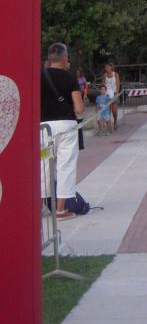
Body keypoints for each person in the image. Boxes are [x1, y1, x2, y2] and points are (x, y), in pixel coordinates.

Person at [41, 43, 84, 220]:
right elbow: (80, 108)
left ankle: (41, 207)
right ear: (64, 57)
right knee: (65, 166)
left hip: (43, 129)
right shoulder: (69, 78)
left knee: (44, 164)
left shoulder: (38, 77)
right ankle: (60, 210)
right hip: (66, 128)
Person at [102, 62, 121, 130]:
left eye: (107, 67)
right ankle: (109, 125)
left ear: (111, 67)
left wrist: (117, 93)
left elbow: (118, 84)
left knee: (114, 111)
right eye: (105, 67)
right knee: (108, 111)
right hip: (107, 95)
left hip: (114, 94)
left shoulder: (116, 74)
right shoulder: (105, 75)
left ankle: (115, 121)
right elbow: (103, 85)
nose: (106, 68)